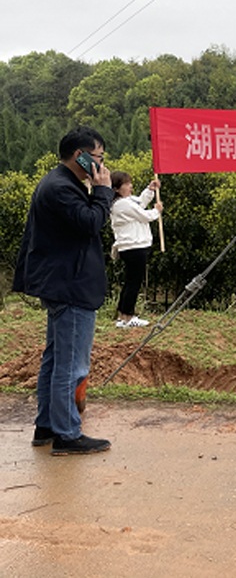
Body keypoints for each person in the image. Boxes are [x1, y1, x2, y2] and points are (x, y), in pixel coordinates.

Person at [13, 126, 114, 456]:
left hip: (63, 282)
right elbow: (90, 223)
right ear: (79, 156)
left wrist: (97, 191)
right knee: (71, 366)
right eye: (98, 157)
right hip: (70, 286)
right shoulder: (61, 188)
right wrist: (103, 191)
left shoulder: (60, 182)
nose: (101, 164)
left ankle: (47, 426)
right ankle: (67, 435)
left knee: (56, 359)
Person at [110, 171, 162, 328]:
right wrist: (157, 210)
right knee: (134, 282)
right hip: (134, 246)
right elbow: (144, 215)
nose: (130, 186)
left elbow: (139, 202)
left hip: (132, 247)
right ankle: (128, 316)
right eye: (126, 184)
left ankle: (122, 316)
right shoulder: (122, 204)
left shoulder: (125, 202)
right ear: (117, 189)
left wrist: (150, 190)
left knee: (130, 281)